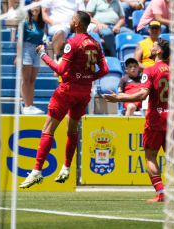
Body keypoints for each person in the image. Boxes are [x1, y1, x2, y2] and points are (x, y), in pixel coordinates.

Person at [103, 38, 174, 202]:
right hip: (173, 117)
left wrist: (119, 98)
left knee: (150, 156)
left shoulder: (150, 71)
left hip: (156, 118)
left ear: (159, 51)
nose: (150, 48)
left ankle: (161, 193)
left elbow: (143, 95)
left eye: (153, 46)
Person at [19, 11, 109, 188]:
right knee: (72, 129)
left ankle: (37, 171)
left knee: (48, 129)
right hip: (84, 92)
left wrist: (43, 55)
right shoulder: (95, 43)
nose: (70, 21)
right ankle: (66, 167)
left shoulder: (73, 42)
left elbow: (60, 70)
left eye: (72, 19)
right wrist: (88, 79)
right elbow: (105, 70)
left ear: (76, 23)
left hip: (67, 91)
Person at [14, 0, 45, 115]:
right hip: (26, 49)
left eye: (37, 7)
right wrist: (18, 56)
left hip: (37, 51)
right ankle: (27, 106)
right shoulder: (25, 22)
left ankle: (31, 105)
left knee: (32, 81)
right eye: (33, 7)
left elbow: (43, 39)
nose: (35, 9)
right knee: (25, 80)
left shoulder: (42, 24)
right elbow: (19, 40)